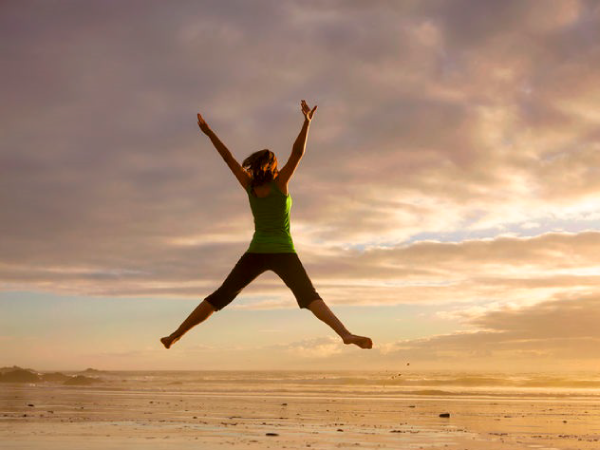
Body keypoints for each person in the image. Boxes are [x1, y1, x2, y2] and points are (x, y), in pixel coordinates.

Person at [160, 100, 372, 350]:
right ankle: (345, 334)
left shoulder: (250, 186)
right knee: (309, 297)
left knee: (221, 296)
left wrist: (209, 134)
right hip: (283, 251)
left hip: (257, 251)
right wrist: (307, 123)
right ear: (272, 165)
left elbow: (228, 159)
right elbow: (297, 154)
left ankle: (176, 334)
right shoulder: (280, 184)